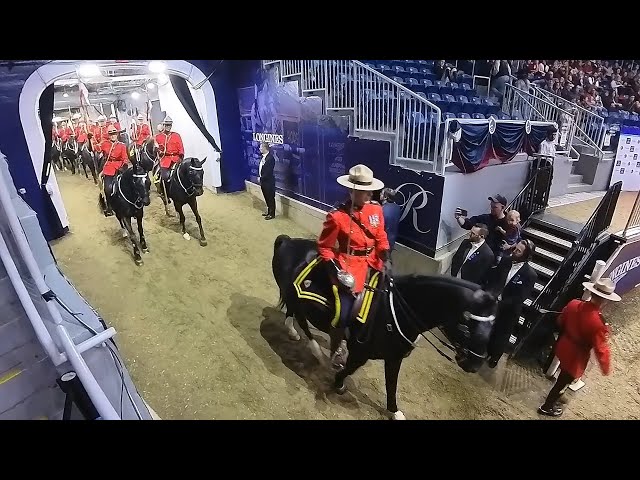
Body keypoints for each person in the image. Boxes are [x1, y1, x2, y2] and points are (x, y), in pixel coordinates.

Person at [317, 164, 391, 370]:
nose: (369, 193)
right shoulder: (337, 217)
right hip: (349, 267)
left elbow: (381, 234)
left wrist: (384, 250)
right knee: (343, 312)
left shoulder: (376, 209)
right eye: (365, 190)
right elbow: (325, 247)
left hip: (375, 262)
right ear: (353, 190)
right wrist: (335, 270)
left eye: (370, 189)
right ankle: (336, 349)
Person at [538, 278, 619, 417]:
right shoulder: (598, 323)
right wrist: (606, 368)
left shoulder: (574, 303)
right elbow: (601, 349)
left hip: (564, 345)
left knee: (562, 377)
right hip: (576, 356)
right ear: (605, 300)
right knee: (563, 383)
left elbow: (560, 320)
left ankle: (552, 400)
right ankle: (547, 407)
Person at [485, 239, 538, 368]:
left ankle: (495, 356)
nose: (514, 252)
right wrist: (492, 294)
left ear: (526, 256)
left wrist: (501, 303)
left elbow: (521, 297)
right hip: (494, 301)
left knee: (501, 333)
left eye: (518, 251)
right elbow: (496, 279)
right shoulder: (506, 260)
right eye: (515, 249)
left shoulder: (530, 275)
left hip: (509, 309)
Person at [100, 126, 129, 216]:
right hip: (109, 168)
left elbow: (125, 158)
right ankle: (109, 207)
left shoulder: (122, 145)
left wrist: (123, 166)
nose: (113, 136)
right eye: (111, 134)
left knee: (130, 185)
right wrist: (89, 140)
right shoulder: (104, 144)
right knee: (108, 189)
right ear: (109, 135)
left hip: (120, 167)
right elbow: (95, 149)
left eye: (114, 134)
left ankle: (134, 204)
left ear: (117, 134)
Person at [155, 115, 184, 202]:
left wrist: (181, 156)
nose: (168, 126)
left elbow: (181, 147)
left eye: (169, 125)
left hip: (176, 158)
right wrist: (157, 150)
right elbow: (157, 149)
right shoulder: (158, 137)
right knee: (164, 177)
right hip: (165, 159)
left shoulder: (176, 135)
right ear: (163, 125)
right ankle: (166, 194)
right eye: (166, 125)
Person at [258, 142, 276, 220]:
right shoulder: (263, 157)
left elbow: (268, 172)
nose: (259, 149)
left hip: (268, 182)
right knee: (266, 197)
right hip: (264, 182)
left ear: (265, 148)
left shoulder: (270, 158)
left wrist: (261, 178)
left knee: (270, 197)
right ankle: (269, 211)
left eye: (261, 147)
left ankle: (272, 214)